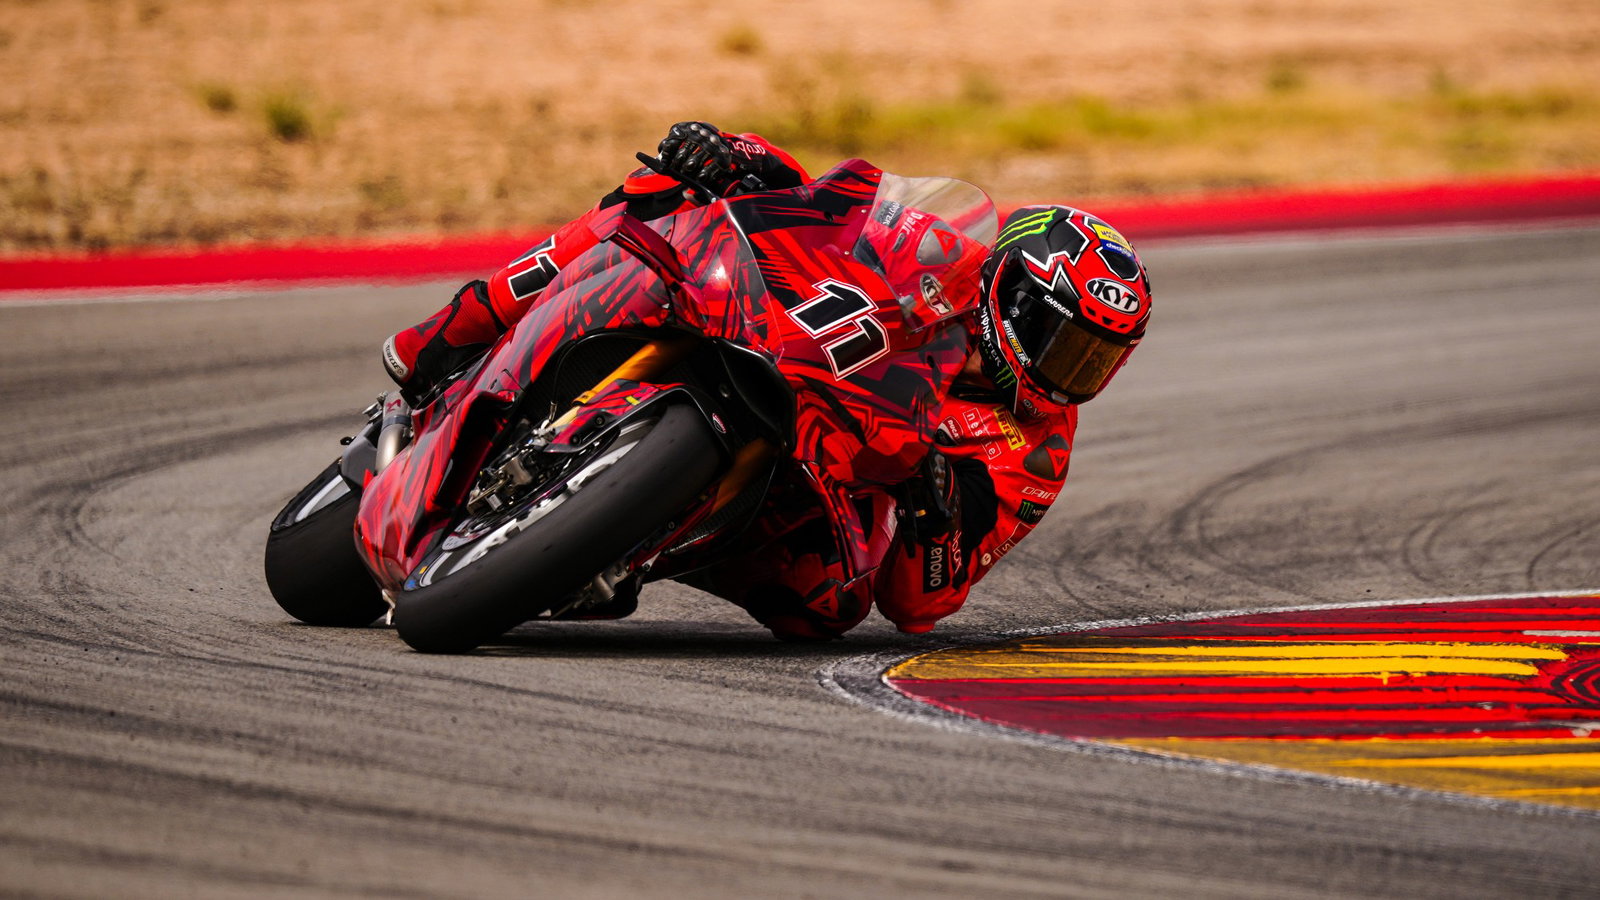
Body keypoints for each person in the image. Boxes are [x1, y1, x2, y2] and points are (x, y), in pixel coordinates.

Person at [380, 122, 1152, 641]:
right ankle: (453, 334)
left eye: (1095, 359)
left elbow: (922, 601)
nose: (1069, 370)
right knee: (657, 200)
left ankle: (626, 544)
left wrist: (938, 513)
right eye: (1062, 339)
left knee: (830, 604)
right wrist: (737, 156)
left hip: (829, 470)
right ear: (1007, 285)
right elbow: (832, 204)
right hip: (773, 333)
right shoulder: (944, 247)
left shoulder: (1037, 452)